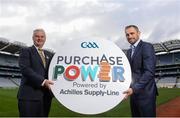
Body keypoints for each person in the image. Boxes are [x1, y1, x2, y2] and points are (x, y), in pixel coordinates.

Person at [17, 28, 54, 117]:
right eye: (37, 36)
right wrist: (44, 81)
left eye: (42, 36)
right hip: (29, 97)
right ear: (33, 38)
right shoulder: (26, 51)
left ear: (45, 38)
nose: (39, 38)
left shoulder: (49, 54)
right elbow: (25, 69)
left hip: (45, 97)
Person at [123, 25, 158, 117]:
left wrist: (134, 88)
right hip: (134, 94)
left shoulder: (146, 46)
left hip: (146, 94)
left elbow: (149, 72)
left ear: (138, 33)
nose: (129, 36)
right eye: (127, 35)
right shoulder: (129, 51)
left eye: (132, 33)